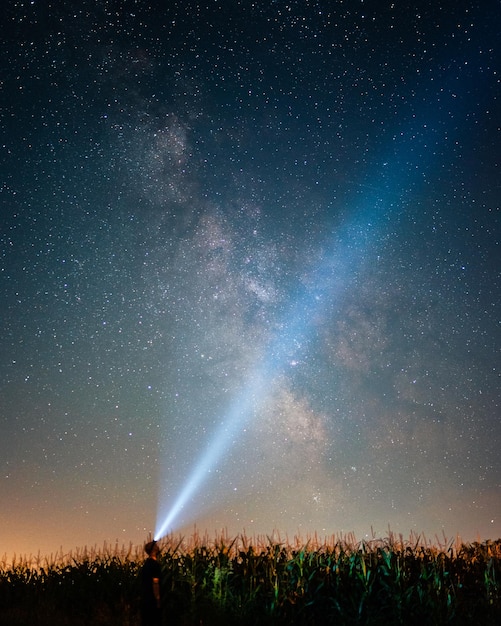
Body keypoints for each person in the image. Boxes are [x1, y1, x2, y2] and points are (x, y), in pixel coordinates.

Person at [140, 540, 162, 626]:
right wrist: (158, 598)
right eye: (155, 545)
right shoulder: (154, 564)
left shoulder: (146, 564)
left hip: (145, 600)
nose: (158, 546)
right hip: (152, 600)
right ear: (153, 550)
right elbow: (155, 582)